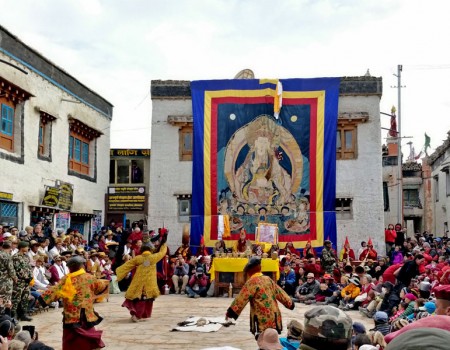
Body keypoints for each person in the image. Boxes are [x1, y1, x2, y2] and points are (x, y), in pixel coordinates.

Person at [40, 255, 109, 350]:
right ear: (81, 266)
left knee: (71, 337)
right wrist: (106, 282)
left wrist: (41, 299)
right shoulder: (89, 277)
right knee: (87, 330)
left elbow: (54, 291)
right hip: (86, 311)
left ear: (70, 268)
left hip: (71, 313)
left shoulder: (66, 279)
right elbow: (99, 286)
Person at [226, 257, 295, 338]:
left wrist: (230, 313)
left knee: (263, 341)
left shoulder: (251, 282)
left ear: (249, 271)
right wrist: (290, 303)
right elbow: (280, 293)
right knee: (272, 340)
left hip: (261, 317)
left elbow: (241, 299)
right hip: (274, 315)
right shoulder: (268, 279)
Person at [116, 237, 167, 322]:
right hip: (149, 283)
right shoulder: (154, 257)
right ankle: (137, 315)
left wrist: (119, 274)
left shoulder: (138, 258)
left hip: (138, 282)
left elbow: (126, 266)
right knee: (144, 299)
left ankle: (136, 314)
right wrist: (164, 243)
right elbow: (162, 252)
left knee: (137, 298)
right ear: (151, 249)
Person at [11, 241, 33, 321]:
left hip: (26, 282)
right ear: (21, 247)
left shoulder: (26, 256)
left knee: (25, 298)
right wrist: (25, 277)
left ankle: (23, 314)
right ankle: (13, 315)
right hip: (19, 282)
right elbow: (18, 269)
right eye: (26, 246)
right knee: (16, 299)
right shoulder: (16, 257)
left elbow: (29, 267)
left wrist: (30, 276)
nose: (28, 248)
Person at [0, 241, 17, 308]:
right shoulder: (7, 256)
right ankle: (5, 317)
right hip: (6, 281)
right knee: (6, 299)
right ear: (10, 248)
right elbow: (11, 270)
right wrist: (15, 278)